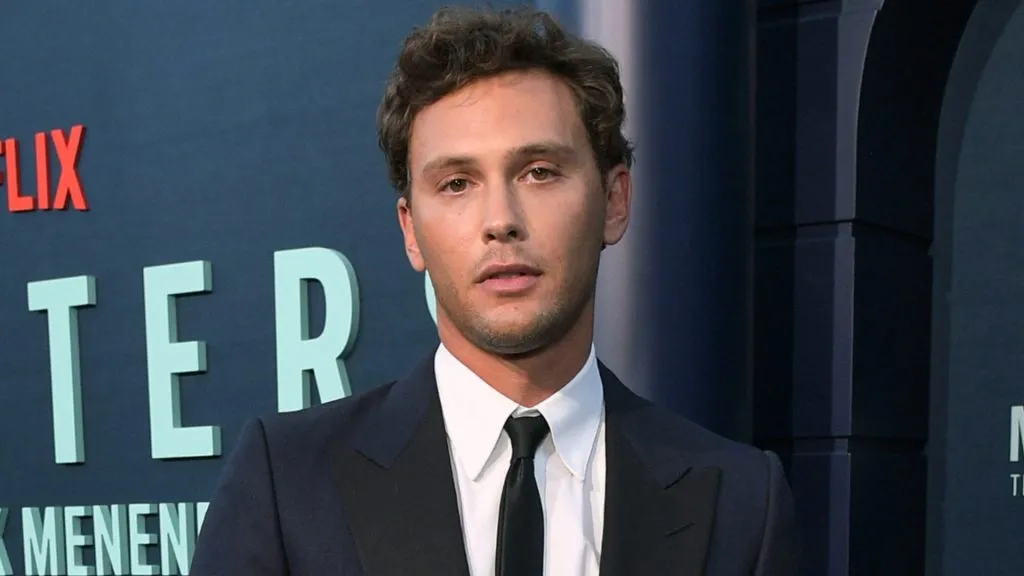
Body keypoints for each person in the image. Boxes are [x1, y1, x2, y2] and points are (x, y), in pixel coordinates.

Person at [190, 5, 798, 576]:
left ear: (614, 202)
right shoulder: (287, 483)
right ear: (411, 231)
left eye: (539, 172)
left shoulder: (744, 501)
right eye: (457, 183)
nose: (500, 218)